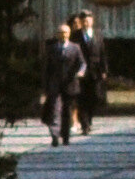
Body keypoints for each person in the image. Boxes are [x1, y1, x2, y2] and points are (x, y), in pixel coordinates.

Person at [39, 20, 84, 147]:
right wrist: (45, 86)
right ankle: (55, 135)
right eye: (61, 33)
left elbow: (82, 63)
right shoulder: (51, 49)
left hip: (70, 84)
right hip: (55, 84)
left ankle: (66, 136)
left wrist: (80, 72)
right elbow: (46, 68)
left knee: (67, 111)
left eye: (66, 32)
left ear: (69, 34)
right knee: (55, 110)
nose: (63, 35)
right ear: (57, 34)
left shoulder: (75, 48)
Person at [74, 8, 109, 137]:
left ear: (92, 21)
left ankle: (89, 120)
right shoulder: (75, 36)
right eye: (84, 20)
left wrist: (104, 70)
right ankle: (85, 125)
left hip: (95, 71)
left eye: (88, 20)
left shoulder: (98, 35)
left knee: (94, 97)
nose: (86, 22)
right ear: (81, 22)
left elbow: (102, 54)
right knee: (81, 98)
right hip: (81, 72)